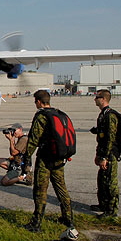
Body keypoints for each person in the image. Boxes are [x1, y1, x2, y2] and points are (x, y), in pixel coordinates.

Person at [21, 90, 74, 232]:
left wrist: (27, 157)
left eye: (35, 101)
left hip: (45, 158)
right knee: (61, 188)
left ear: (39, 101)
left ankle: (36, 223)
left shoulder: (41, 116)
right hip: (59, 158)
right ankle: (68, 218)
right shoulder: (59, 113)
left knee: (40, 190)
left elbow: (33, 139)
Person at [90, 89, 120, 218]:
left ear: (103, 99)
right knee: (102, 181)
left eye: (97, 97)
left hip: (110, 155)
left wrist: (105, 157)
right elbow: (101, 138)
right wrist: (98, 155)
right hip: (103, 153)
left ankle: (112, 210)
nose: (95, 99)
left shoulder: (110, 115)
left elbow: (110, 139)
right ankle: (103, 204)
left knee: (110, 183)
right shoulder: (103, 114)